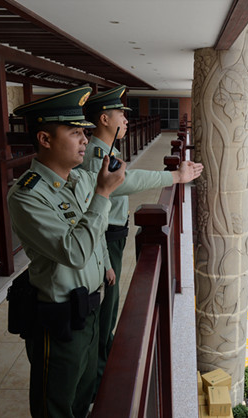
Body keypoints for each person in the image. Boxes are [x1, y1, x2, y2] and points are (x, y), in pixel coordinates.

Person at [7, 86, 126, 417]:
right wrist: (103, 193)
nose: (85, 141)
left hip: (89, 309)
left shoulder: (79, 180)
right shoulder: (27, 195)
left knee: (84, 393)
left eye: (84, 133)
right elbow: (73, 251)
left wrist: (104, 263)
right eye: (75, 133)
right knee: (56, 405)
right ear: (45, 140)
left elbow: (94, 230)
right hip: (58, 317)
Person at [81, 85, 203, 393]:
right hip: (103, 236)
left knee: (109, 309)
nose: (125, 119)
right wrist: (174, 176)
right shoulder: (96, 154)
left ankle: (103, 371)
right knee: (104, 312)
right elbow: (126, 182)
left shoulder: (109, 150)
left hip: (112, 233)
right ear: (104, 118)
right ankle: (97, 383)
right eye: (121, 113)